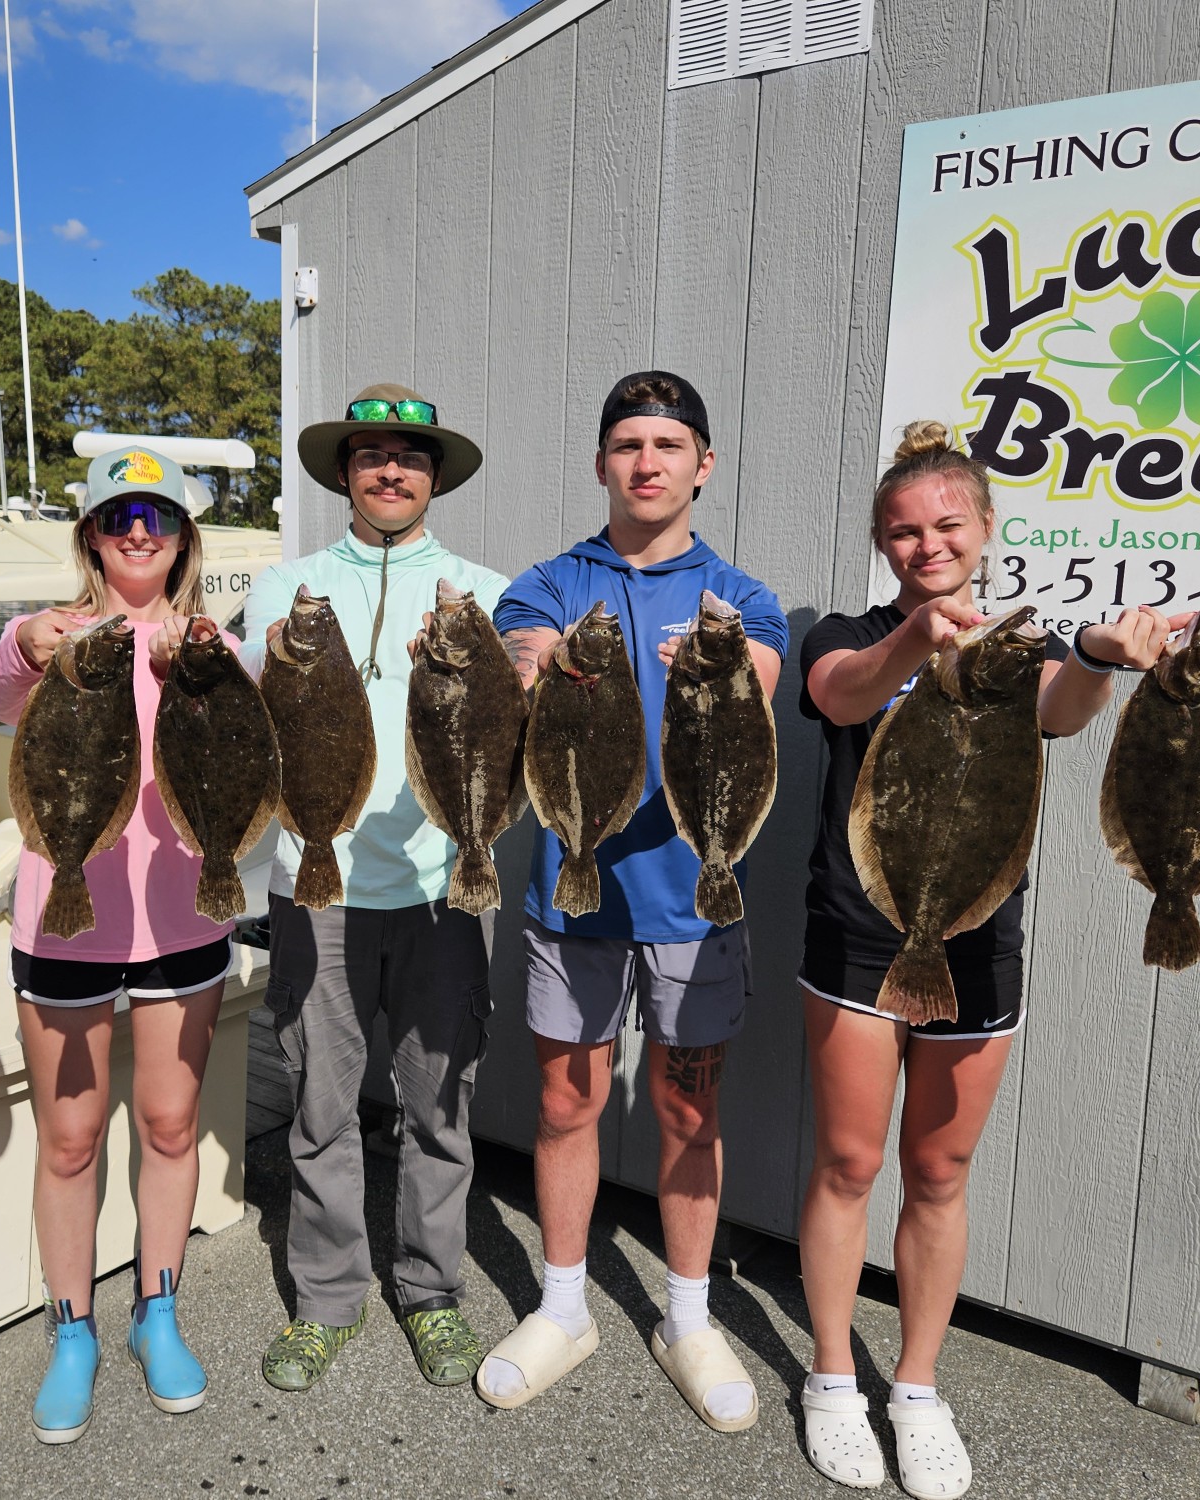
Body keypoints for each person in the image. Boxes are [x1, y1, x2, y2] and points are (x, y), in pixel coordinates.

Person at [794, 421, 1187, 1498]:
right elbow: (839, 693)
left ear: (984, 529)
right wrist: (916, 642)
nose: (927, 545)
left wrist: (1097, 653)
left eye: (947, 525)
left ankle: (916, 1387)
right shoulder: (849, 634)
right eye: (903, 531)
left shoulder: (1021, 647)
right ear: (881, 543)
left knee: (938, 1173)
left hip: (977, 942)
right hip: (857, 936)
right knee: (847, 1165)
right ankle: (832, 1375)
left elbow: (1063, 706)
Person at [482, 371, 786, 1433]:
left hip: (695, 896)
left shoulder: (738, 596)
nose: (646, 463)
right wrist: (536, 663)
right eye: (626, 445)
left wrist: (717, 662)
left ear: (703, 465)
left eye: (667, 445)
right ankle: (563, 1307)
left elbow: (758, 676)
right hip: (572, 895)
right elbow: (518, 656)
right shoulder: (548, 583)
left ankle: (686, 1317)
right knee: (565, 1105)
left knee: (688, 1112)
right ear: (601, 463)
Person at [239, 384, 509, 1392]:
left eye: (410, 456)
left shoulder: (485, 592)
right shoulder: (286, 588)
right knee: (320, 1106)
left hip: (446, 889)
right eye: (369, 456)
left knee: (440, 1107)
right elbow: (254, 683)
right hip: (317, 888)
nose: (390, 470)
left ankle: (431, 1293)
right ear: (343, 474)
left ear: (434, 477)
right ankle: (326, 1300)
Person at [0, 445, 234, 1440]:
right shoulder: (49, 640)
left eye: (156, 517)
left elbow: (255, 727)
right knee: (71, 1137)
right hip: (64, 918)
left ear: (182, 538)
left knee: (170, 1125)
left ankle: (156, 1311)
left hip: (183, 916)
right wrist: (23, 645)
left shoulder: (210, 642)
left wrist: (206, 663)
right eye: (118, 517)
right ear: (89, 535)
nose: (137, 532)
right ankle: (72, 1330)